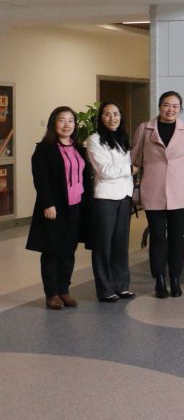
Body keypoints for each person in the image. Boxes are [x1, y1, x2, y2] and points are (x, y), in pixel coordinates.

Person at [132, 91, 184, 299]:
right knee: (158, 237)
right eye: (166, 105)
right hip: (153, 189)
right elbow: (135, 159)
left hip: (180, 191)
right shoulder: (145, 128)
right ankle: (159, 278)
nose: (170, 109)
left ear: (180, 109)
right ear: (159, 107)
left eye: (175, 106)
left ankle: (175, 278)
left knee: (177, 237)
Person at [26, 107, 92, 310]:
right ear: (53, 123)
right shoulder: (44, 149)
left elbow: (85, 177)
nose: (66, 125)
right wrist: (48, 203)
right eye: (61, 120)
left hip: (76, 206)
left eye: (71, 120)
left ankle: (64, 290)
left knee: (68, 251)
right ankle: (52, 293)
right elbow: (41, 179)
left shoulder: (79, 148)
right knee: (52, 251)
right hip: (55, 207)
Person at [85, 102, 136, 302]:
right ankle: (105, 288)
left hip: (124, 196)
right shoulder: (94, 140)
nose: (112, 118)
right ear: (101, 118)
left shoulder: (123, 139)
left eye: (116, 114)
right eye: (107, 114)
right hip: (105, 198)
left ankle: (121, 285)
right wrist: (129, 169)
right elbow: (105, 171)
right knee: (103, 245)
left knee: (121, 244)